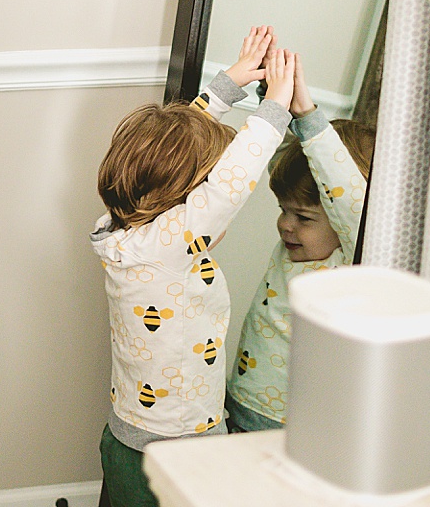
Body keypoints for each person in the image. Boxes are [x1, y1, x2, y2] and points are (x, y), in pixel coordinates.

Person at [89, 28, 294, 507]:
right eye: (196, 201)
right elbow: (225, 187)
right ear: (184, 206)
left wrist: (227, 86)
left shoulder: (124, 232)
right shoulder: (168, 247)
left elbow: (166, 152)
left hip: (128, 434)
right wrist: (275, 109)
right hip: (177, 448)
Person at [225, 57, 374, 432]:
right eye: (284, 211)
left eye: (303, 218)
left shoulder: (353, 259)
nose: (286, 226)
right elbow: (283, 159)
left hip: (288, 425)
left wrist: (309, 116)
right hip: (240, 400)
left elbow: (350, 199)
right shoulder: (299, 249)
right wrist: (275, 99)